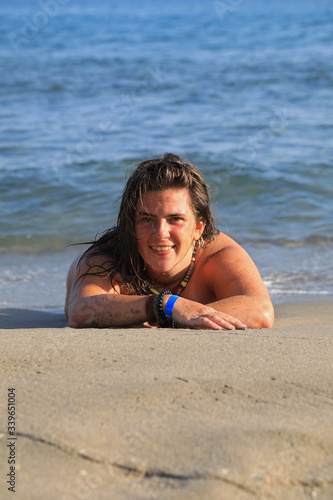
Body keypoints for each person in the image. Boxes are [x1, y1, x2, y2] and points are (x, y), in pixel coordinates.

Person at [65, 153, 274, 330]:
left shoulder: (216, 255)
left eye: (175, 219)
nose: (160, 232)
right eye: (147, 219)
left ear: (198, 228)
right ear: (131, 225)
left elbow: (260, 310)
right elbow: (80, 310)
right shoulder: (107, 257)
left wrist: (177, 312)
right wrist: (165, 305)